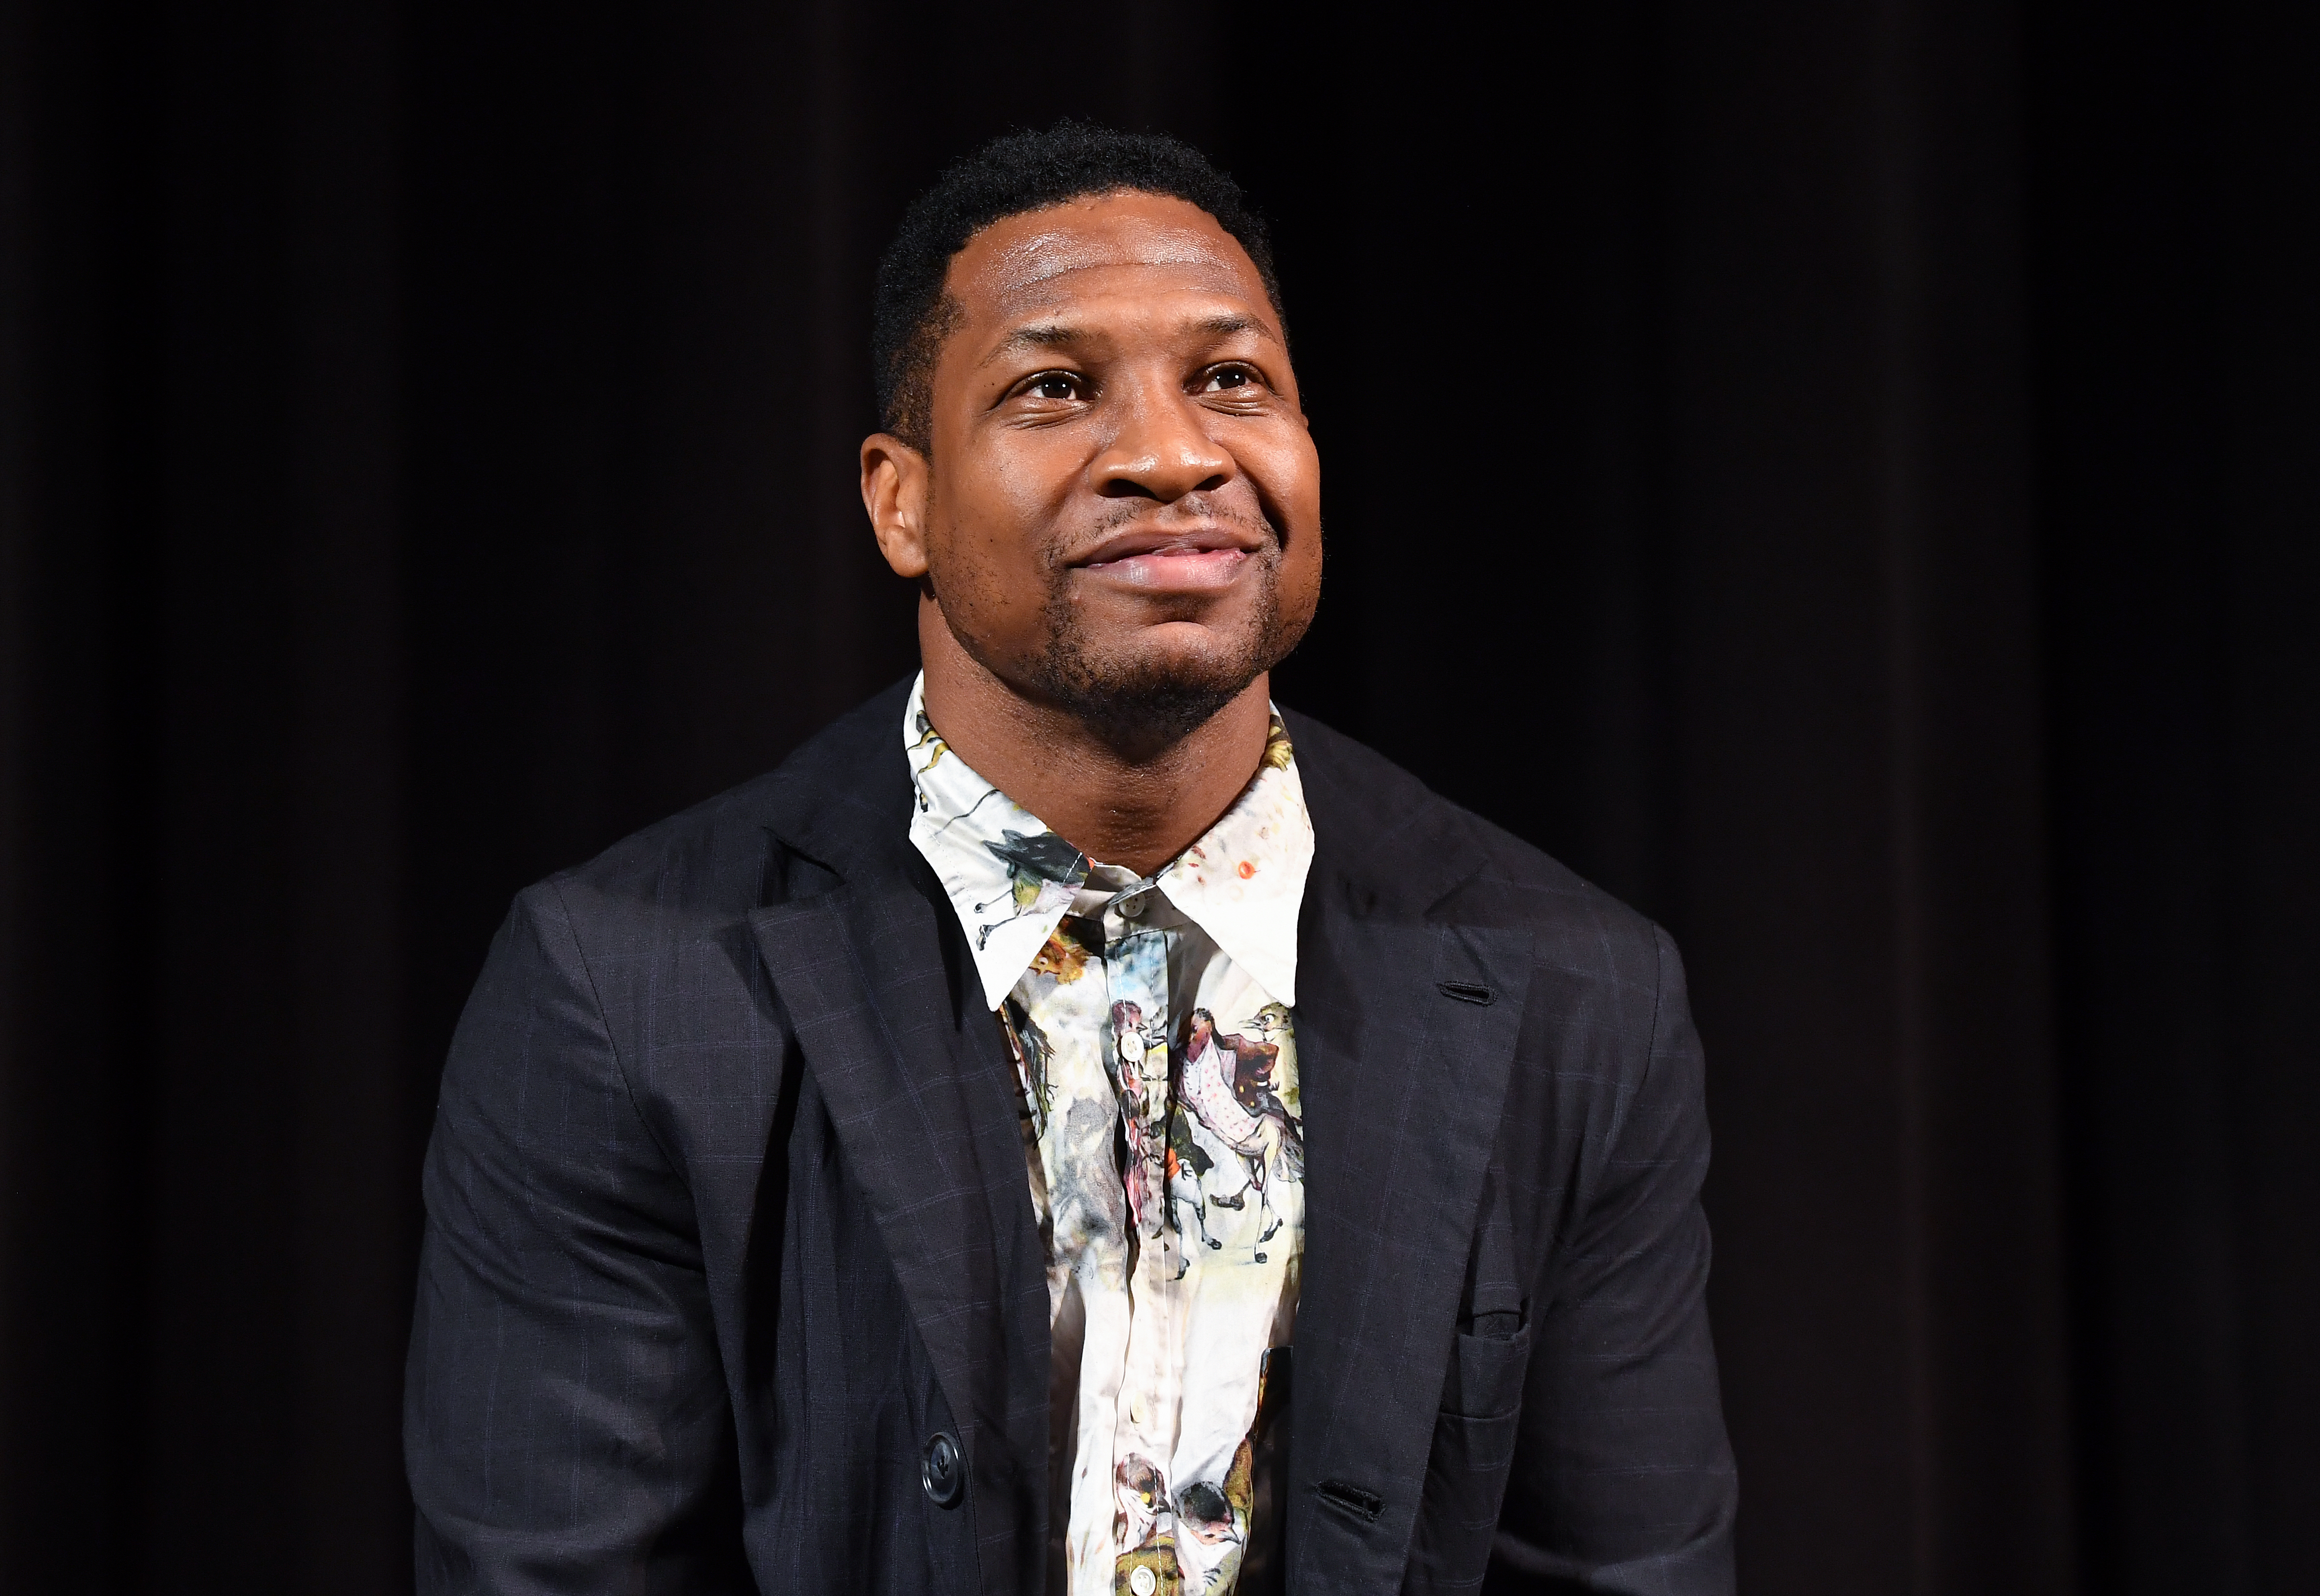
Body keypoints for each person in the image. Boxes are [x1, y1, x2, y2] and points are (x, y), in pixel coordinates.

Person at [404, 122, 1737, 1595]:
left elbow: (1629, 1568)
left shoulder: (1574, 987)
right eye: (1054, 389)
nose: (1174, 455)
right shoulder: (624, 986)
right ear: (897, 501)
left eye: (1231, 380)